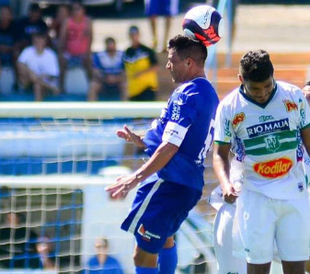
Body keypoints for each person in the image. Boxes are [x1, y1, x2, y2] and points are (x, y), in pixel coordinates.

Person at [212, 50, 310, 274]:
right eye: (255, 88)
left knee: (296, 267)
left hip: (292, 194)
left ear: (273, 76)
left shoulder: (292, 96)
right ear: (241, 80)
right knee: (258, 267)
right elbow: (219, 153)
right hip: (254, 195)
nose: (262, 93)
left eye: (267, 86)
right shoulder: (229, 108)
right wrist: (224, 183)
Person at [105, 35, 219, 274]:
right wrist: (141, 140)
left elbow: (171, 146)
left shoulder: (188, 94)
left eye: (171, 60)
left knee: (142, 254)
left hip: (169, 182)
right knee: (165, 239)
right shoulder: (206, 92)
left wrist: (132, 179)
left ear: (189, 63)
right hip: (186, 184)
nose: (167, 65)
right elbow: (182, 138)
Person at [58, 1, 92, 93]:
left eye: (78, 9)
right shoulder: (67, 22)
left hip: (83, 54)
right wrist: (61, 53)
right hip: (69, 54)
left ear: (83, 10)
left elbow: (90, 38)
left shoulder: (88, 21)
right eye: (73, 10)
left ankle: (92, 88)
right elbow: (62, 38)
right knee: (61, 61)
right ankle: (61, 88)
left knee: (90, 62)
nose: (75, 12)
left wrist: (87, 53)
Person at [17, 32, 60, 101]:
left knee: (37, 85)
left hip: (44, 82)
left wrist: (40, 77)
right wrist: (31, 73)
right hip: (28, 82)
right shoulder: (27, 51)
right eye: (36, 39)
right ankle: (51, 88)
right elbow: (20, 65)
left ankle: (37, 107)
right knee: (29, 75)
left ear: (45, 41)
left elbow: (53, 74)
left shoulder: (51, 54)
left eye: (41, 39)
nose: (38, 42)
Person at [124, 26, 158, 101]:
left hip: (147, 88)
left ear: (139, 35)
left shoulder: (147, 50)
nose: (133, 37)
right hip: (133, 91)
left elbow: (155, 67)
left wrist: (141, 73)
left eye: (135, 34)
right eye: (131, 34)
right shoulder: (127, 52)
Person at [89, 37, 125, 101]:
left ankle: (126, 108)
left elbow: (125, 72)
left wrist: (115, 79)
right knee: (93, 86)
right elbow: (95, 71)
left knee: (125, 85)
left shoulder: (122, 55)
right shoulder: (99, 56)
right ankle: (92, 109)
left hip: (117, 82)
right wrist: (105, 78)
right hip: (103, 82)